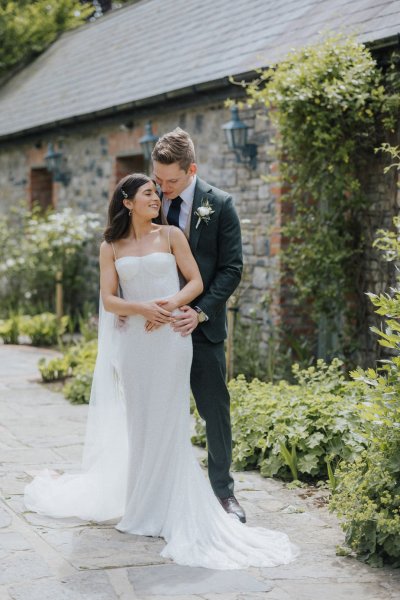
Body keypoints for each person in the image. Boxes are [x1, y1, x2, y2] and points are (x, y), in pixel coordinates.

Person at [24, 173, 297, 569]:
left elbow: (196, 282)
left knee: (169, 420)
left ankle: (171, 506)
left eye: (158, 192)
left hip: (170, 340)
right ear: (127, 202)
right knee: (141, 421)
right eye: (149, 193)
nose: (158, 198)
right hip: (134, 344)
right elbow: (109, 299)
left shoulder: (171, 236)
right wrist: (141, 309)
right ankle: (142, 505)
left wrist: (165, 307)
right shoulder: (110, 246)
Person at [151, 127, 245, 522]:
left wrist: (200, 310)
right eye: (157, 180)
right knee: (156, 409)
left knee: (214, 408)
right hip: (155, 328)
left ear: (192, 169)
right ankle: (157, 491)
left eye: (171, 181)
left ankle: (223, 493)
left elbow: (231, 269)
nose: (162, 189)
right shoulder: (148, 201)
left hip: (202, 328)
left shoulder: (220, 205)